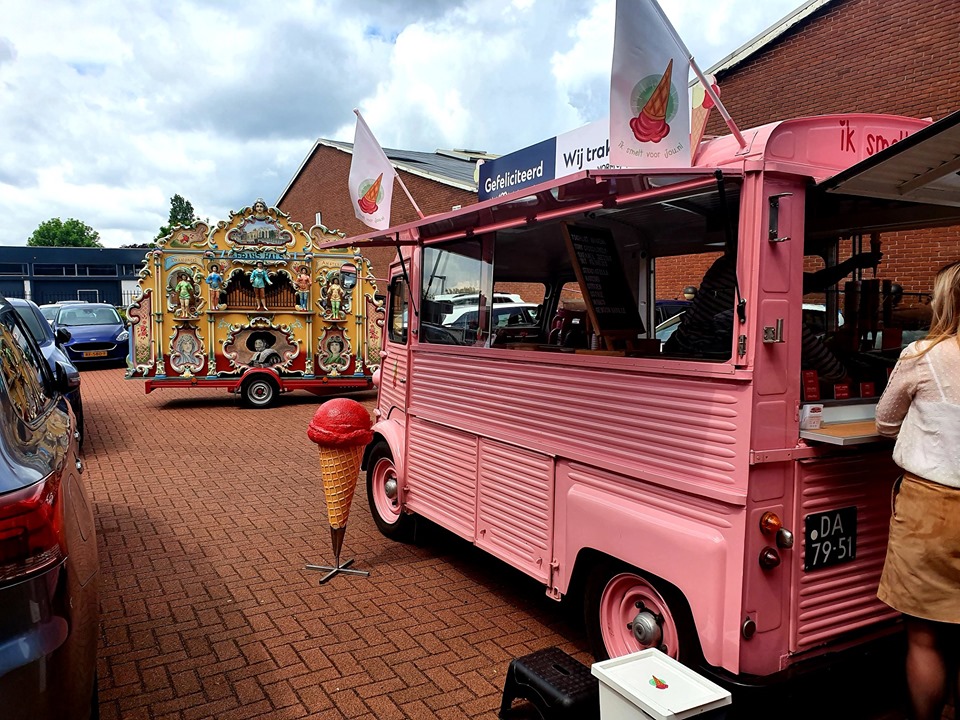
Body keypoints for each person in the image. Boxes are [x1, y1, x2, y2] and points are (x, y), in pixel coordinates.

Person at [875, 259, 960, 720]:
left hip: (933, 511)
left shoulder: (923, 355)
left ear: (945, 302)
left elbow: (885, 423)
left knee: (925, 635)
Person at [665, 246, 881, 383]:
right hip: (708, 355)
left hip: (687, 348)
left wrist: (853, 263)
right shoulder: (758, 282)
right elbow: (801, 332)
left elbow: (812, 283)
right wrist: (840, 375)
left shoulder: (732, 265)